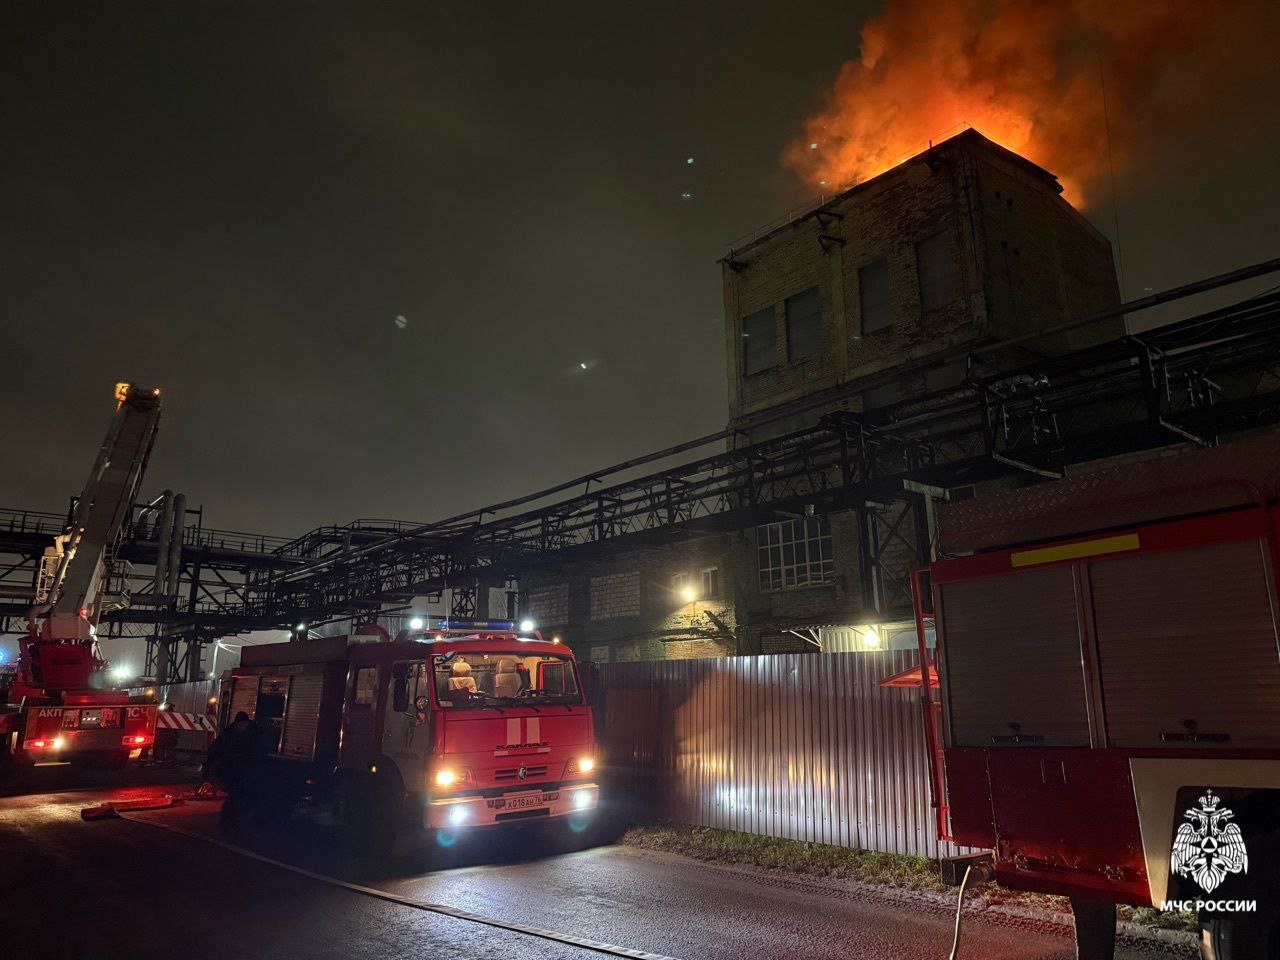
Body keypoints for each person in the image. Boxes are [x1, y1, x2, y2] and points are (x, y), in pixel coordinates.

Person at [207, 710, 260, 829]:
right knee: (235, 796)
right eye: (242, 724)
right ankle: (229, 823)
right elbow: (216, 750)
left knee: (236, 796)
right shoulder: (229, 734)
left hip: (237, 770)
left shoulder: (246, 733)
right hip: (231, 770)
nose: (243, 726)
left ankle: (230, 822)